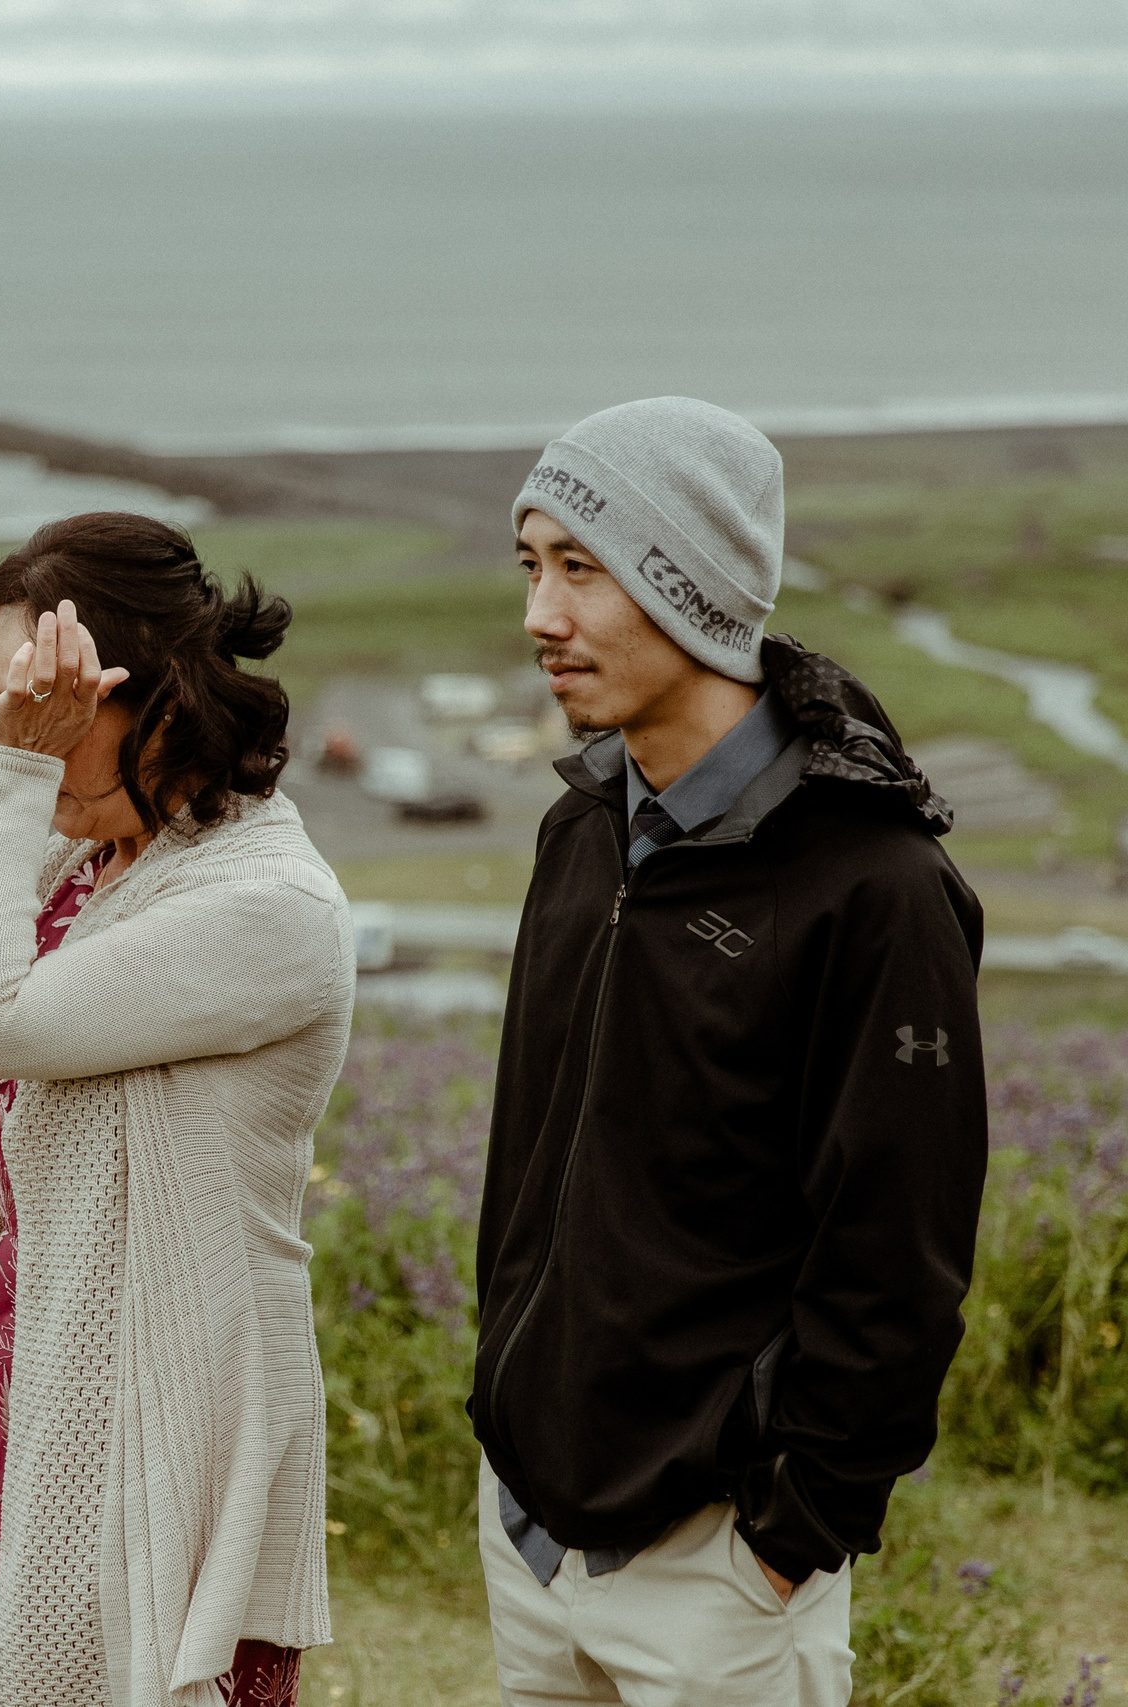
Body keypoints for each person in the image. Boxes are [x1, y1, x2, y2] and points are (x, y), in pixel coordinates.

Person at [472, 397, 988, 1707]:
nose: (539, 615)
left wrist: (790, 1533)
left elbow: (899, 1252)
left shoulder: (875, 887)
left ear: (687, 583)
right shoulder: (576, 833)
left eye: (580, 568)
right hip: (527, 1529)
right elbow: (530, 1162)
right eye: (530, 566)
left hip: (720, 1570)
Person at [0, 514, 355, 1707]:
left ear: (158, 696)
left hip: (157, 1430)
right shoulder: (76, 868)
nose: (31, 728)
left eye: (49, 700)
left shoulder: (267, 905)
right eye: (14, 699)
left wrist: (8, 777)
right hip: (28, 1393)